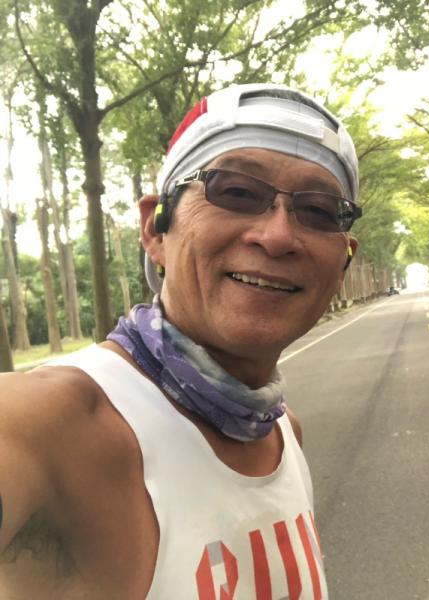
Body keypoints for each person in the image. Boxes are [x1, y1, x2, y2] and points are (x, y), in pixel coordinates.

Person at [0, 84, 362, 599]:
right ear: (155, 230)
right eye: (237, 192)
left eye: (320, 212)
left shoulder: (283, 432)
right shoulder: (55, 426)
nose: (278, 236)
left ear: (343, 261)